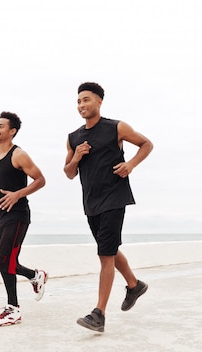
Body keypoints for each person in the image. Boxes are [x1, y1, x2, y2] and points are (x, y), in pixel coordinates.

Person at [64, 82, 154, 332]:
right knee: (109, 249)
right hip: (91, 203)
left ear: (99, 101)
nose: (82, 105)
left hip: (115, 198)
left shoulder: (116, 127)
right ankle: (135, 285)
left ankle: (98, 314)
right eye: (79, 101)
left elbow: (146, 144)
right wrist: (77, 156)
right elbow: (69, 173)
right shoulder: (73, 137)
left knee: (105, 255)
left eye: (86, 100)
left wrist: (131, 164)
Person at [0, 111, 48, 327]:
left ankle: (13, 309)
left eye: (1, 126)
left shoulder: (19, 155)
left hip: (18, 215)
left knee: (5, 260)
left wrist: (18, 194)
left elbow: (40, 180)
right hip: (0, 215)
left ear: (12, 131)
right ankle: (35, 275)